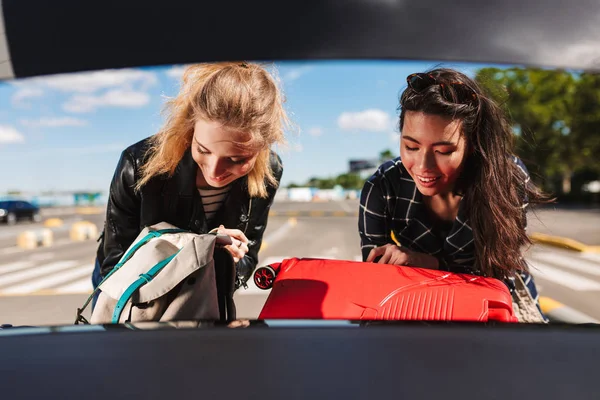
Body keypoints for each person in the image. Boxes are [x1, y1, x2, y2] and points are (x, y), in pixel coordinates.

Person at [358, 68, 549, 321]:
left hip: (496, 301)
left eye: (444, 151)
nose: (423, 166)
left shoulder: (508, 178)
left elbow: (498, 270)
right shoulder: (382, 186)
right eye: (411, 146)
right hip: (417, 304)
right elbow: (374, 282)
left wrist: (427, 262)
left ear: (472, 145)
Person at [92, 61, 289, 305]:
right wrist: (199, 247)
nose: (215, 172)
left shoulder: (270, 170)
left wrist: (227, 260)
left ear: (263, 146)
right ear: (190, 126)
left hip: (203, 298)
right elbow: (115, 266)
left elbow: (248, 258)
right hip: (131, 296)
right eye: (202, 150)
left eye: (237, 159)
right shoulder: (137, 163)